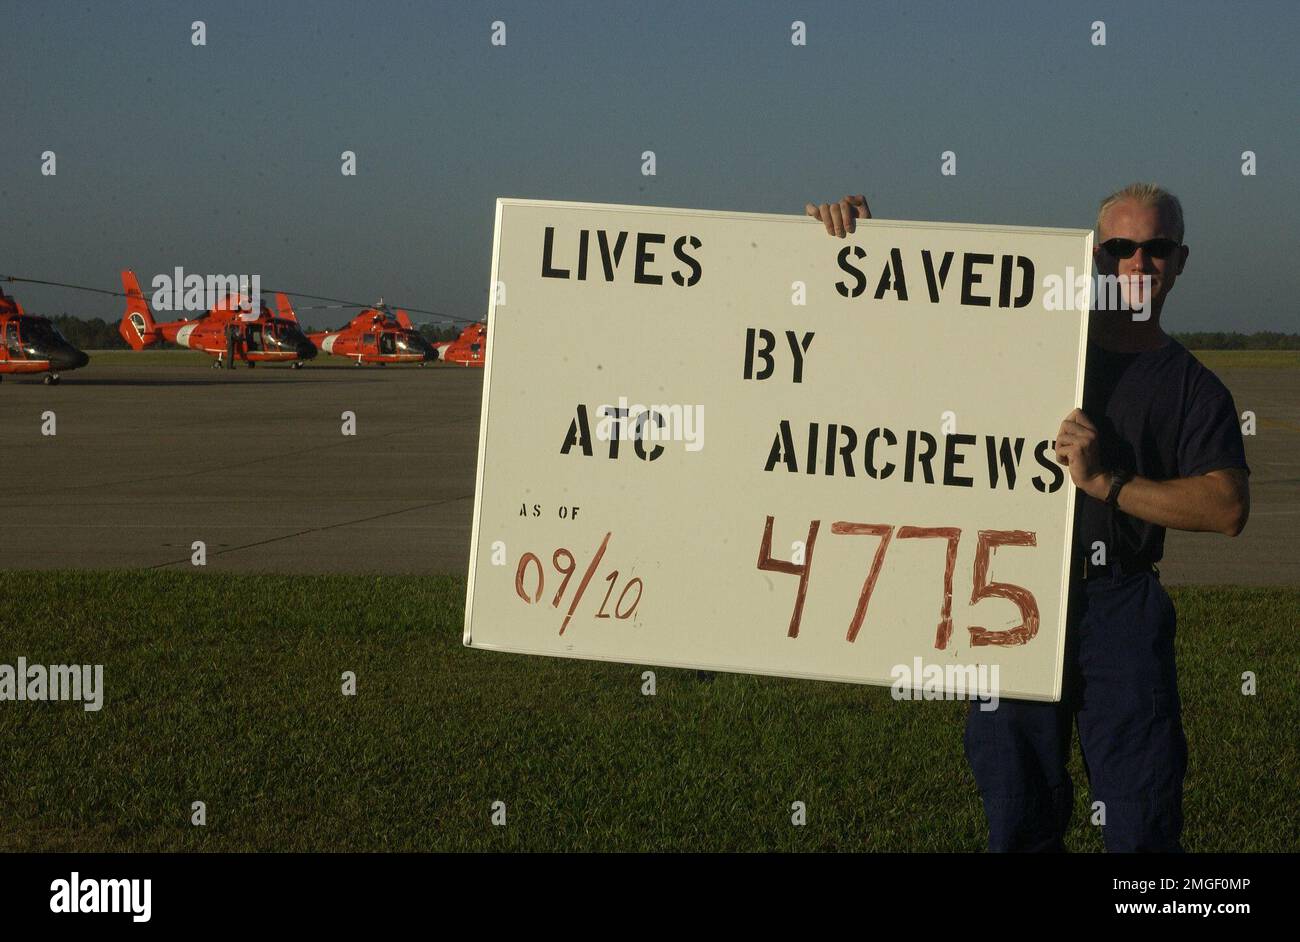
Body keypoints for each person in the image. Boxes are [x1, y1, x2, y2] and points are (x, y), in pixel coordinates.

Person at [805, 186, 1251, 851]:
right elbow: (903, 350)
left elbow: (1227, 507)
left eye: (1155, 249)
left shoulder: (1193, 387)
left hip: (1120, 604)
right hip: (1006, 592)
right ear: (1092, 257)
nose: (1137, 264)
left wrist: (1110, 482)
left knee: (1142, 823)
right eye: (1119, 249)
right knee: (1016, 816)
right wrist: (867, 248)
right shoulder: (1028, 347)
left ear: (1179, 261)